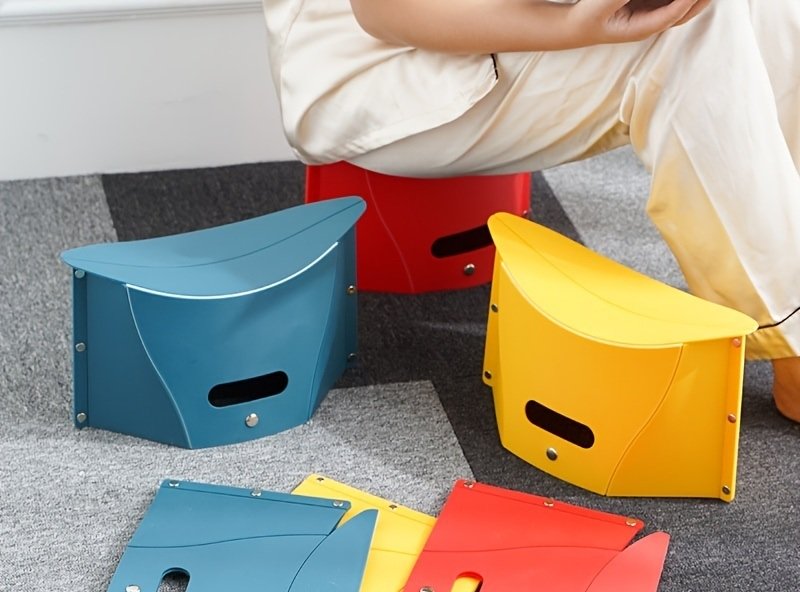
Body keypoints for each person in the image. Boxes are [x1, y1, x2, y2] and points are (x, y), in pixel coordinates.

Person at [261, 0, 800, 423]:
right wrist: (575, 25)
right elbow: (386, 12)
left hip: (501, 29)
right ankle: (792, 349)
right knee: (685, 42)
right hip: (377, 66)